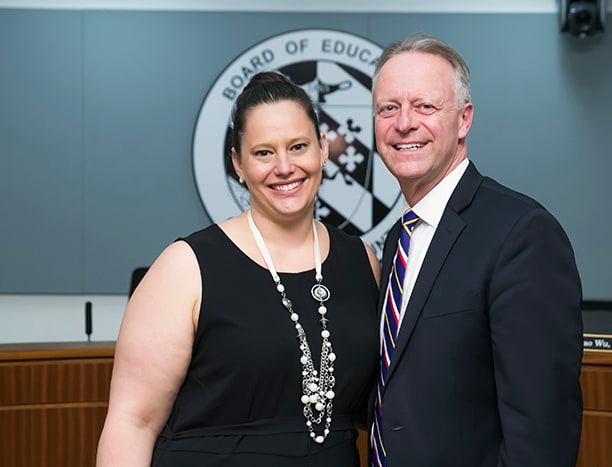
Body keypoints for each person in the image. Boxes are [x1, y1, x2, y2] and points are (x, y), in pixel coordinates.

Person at [97, 71, 381, 466]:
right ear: (238, 164)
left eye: (298, 146)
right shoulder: (185, 267)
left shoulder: (361, 260)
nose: (284, 167)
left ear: (322, 148)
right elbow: (133, 422)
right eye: (264, 153)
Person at [369, 35, 583, 466]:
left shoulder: (522, 234)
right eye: (387, 108)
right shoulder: (399, 240)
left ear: (464, 120)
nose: (404, 123)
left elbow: (541, 429)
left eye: (425, 107)